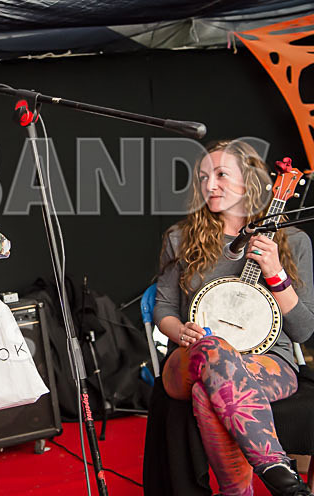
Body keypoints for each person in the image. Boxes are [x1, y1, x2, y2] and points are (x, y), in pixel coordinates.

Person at [154, 139, 314, 496]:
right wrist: (183, 332)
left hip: (269, 362)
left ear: (251, 182)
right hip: (190, 356)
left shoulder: (294, 241)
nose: (210, 185)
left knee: (207, 395)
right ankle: (276, 467)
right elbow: (163, 309)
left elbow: (303, 330)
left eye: (222, 175)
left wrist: (275, 272)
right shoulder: (181, 238)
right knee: (213, 349)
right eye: (203, 177)